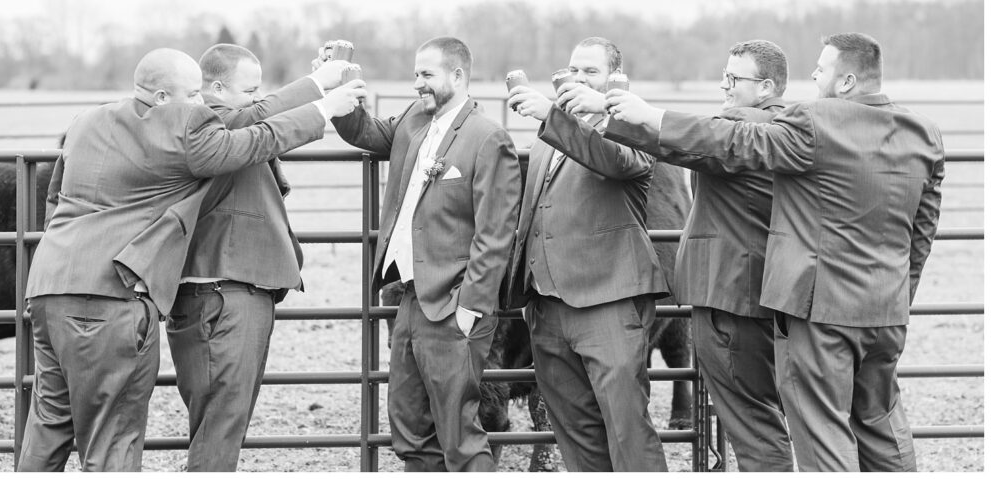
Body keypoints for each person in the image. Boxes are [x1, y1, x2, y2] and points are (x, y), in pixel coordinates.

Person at [604, 33, 945, 471]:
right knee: (881, 423)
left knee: (823, 433)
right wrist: (897, 291)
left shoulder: (813, 122)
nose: (812, 77)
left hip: (822, 314)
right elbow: (923, 232)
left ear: (845, 82)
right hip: (886, 310)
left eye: (820, 70)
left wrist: (650, 116)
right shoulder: (924, 133)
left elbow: (735, 142)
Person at [18, 48, 365, 472]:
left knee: (50, 423)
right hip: (109, 297)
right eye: (195, 95)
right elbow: (255, 136)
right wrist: (323, 108)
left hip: (49, 285)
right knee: (113, 437)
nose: (204, 105)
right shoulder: (183, 130)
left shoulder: (86, 121)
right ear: (164, 98)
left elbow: (55, 197)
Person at [331, 36, 521, 471]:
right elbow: (365, 132)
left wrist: (470, 308)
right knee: (410, 426)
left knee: (460, 436)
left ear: (458, 75)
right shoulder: (416, 120)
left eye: (427, 75)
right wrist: (338, 91)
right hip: (411, 298)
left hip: (454, 303)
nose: (418, 83)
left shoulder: (487, 138)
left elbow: (496, 234)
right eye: (416, 73)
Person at [607, 39, 793, 471]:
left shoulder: (741, 129)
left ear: (765, 87)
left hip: (733, 297)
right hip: (761, 293)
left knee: (753, 422)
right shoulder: (787, 127)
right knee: (760, 416)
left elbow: (686, 139)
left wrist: (621, 113)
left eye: (733, 78)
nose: (723, 86)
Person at [166, 44, 350, 471]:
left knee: (219, 418)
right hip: (227, 291)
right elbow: (256, 117)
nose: (256, 98)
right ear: (215, 89)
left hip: (225, 290)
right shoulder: (208, 118)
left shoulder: (219, 119)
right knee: (223, 419)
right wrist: (320, 95)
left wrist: (319, 83)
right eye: (249, 89)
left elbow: (258, 112)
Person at [503, 37, 672, 471]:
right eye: (573, 71)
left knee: (627, 430)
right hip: (548, 308)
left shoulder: (631, 130)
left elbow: (613, 161)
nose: (577, 79)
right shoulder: (547, 139)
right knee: (575, 433)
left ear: (615, 82)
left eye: (590, 73)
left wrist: (553, 117)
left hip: (609, 305)